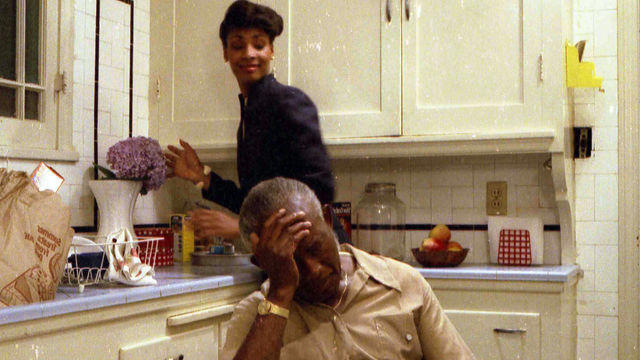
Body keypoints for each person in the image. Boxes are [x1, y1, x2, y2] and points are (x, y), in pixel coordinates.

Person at [221, 177, 475, 360]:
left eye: (315, 247)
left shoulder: (402, 283)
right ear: (263, 263)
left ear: (329, 220)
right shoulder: (254, 316)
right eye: (292, 262)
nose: (314, 270)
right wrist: (281, 292)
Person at [164, 0, 348, 245]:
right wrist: (202, 177)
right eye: (238, 45)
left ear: (271, 50)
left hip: (322, 262)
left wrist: (240, 227)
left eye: (259, 44)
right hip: (289, 261)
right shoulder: (250, 112)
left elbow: (318, 195)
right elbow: (256, 202)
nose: (249, 53)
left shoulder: (288, 102)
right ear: (225, 53)